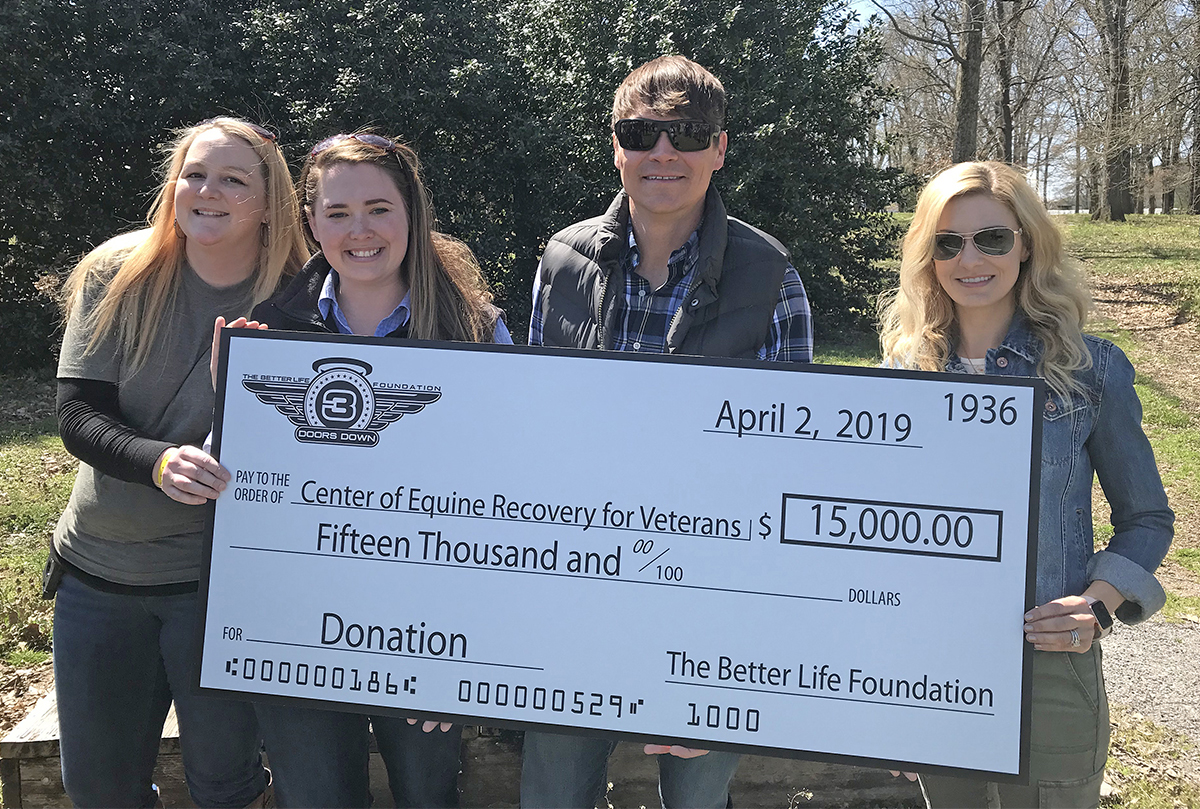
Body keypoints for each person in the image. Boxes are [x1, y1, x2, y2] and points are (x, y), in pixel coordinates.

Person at [523, 55, 813, 809]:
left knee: (695, 798)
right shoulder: (561, 260)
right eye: (640, 133)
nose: (662, 152)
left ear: (719, 149)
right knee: (553, 792)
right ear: (615, 145)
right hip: (575, 582)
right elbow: (533, 431)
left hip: (712, 595)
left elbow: (792, 465)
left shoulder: (770, 275)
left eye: (685, 135)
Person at [879, 161, 1173, 808]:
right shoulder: (900, 373)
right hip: (933, 664)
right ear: (928, 256)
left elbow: (1148, 519)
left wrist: (1097, 605)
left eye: (991, 238)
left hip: (1050, 666)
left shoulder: (1089, 370)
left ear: (1027, 244)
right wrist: (885, 690)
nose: (969, 259)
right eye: (948, 243)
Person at [243, 132, 510, 808]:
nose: (359, 230)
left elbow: (509, 495)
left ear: (412, 213)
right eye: (337, 213)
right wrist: (229, 405)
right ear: (311, 223)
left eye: (379, 208)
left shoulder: (477, 330)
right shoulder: (267, 333)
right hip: (299, 626)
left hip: (426, 629)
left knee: (427, 794)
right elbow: (249, 491)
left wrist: (465, 646)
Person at [52, 117, 307, 808]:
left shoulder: (300, 299)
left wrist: (240, 401)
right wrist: (160, 462)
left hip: (219, 585)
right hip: (99, 573)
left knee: (226, 784)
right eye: (194, 174)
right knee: (98, 788)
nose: (207, 190)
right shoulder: (117, 271)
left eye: (233, 179)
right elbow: (78, 415)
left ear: (270, 201)